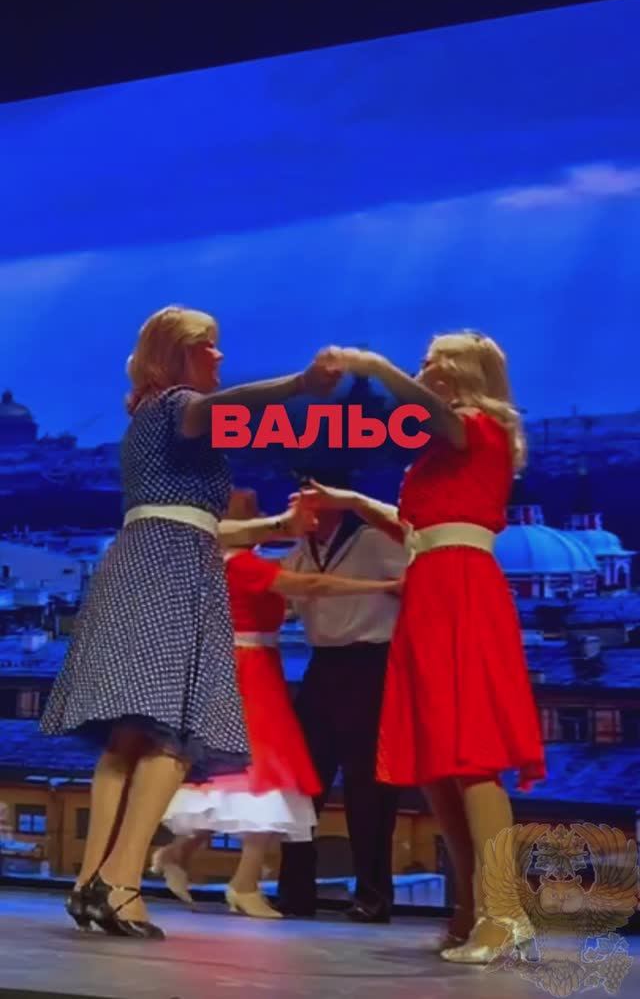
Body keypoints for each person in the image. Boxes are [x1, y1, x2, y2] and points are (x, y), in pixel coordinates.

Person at [39, 305, 341, 939]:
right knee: (173, 737)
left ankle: (91, 884)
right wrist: (301, 384)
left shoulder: (148, 417)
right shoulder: (181, 404)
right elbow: (227, 413)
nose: (219, 355)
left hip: (146, 561)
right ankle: (122, 885)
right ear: (177, 354)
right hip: (175, 572)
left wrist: (275, 526)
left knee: (129, 739)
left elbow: (197, 521)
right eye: (208, 345)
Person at [298, 335, 546, 961]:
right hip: (432, 588)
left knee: (470, 754)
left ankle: (504, 912)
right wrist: (352, 501)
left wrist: (374, 367)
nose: (424, 367)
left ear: (460, 371)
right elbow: (416, 530)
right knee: (439, 763)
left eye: (434, 360)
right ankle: (470, 909)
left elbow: (429, 417)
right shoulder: (445, 446)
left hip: (460, 588)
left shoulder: (476, 425)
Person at [153, 487, 401, 919]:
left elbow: (294, 595)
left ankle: (196, 859)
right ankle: (246, 881)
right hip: (253, 671)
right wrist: (384, 586)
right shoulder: (243, 562)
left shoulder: (251, 561)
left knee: (265, 776)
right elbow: (311, 586)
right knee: (271, 774)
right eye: (251, 510)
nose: (267, 514)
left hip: (279, 668)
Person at [276, 469, 407, 924]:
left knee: (367, 787)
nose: (299, 503)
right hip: (323, 665)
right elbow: (287, 601)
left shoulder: (372, 540)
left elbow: (413, 584)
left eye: (309, 495)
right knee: (302, 779)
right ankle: (295, 891)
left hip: (371, 664)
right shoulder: (301, 551)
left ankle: (373, 894)